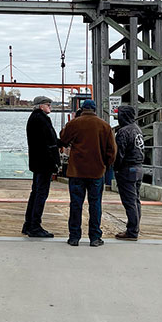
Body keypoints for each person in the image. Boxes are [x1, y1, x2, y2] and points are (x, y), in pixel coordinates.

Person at [59, 99, 116, 247]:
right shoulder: (105, 126)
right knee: (95, 204)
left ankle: (74, 237)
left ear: (82, 109)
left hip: (76, 171)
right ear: (95, 109)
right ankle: (95, 237)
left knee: (76, 204)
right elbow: (112, 151)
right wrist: (105, 164)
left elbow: (63, 139)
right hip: (96, 172)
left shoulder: (75, 123)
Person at [22, 96, 60, 238]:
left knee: (35, 193)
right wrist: (56, 160)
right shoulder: (41, 119)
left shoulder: (34, 118)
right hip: (44, 163)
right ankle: (35, 226)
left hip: (37, 162)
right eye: (47, 104)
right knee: (41, 194)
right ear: (40, 106)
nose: (50, 106)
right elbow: (50, 141)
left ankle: (28, 224)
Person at [113, 104, 145, 241]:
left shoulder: (123, 132)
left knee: (129, 202)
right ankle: (135, 227)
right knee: (136, 200)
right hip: (139, 168)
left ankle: (132, 231)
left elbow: (119, 153)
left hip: (127, 169)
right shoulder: (137, 129)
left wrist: (115, 168)